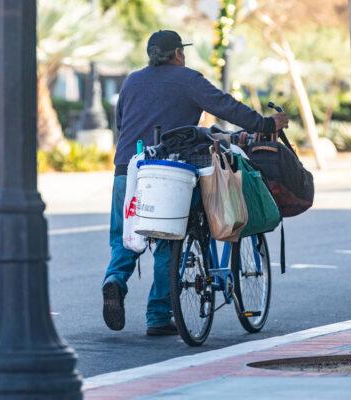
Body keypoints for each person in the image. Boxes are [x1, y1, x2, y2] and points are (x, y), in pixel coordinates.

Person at [103, 30, 289, 336]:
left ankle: (114, 280)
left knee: (126, 234)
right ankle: (159, 315)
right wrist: (266, 124)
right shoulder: (188, 79)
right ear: (178, 53)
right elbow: (227, 107)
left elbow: (122, 123)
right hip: (171, 169)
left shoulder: (132, 81)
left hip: (129, 168)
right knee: (168, 237)